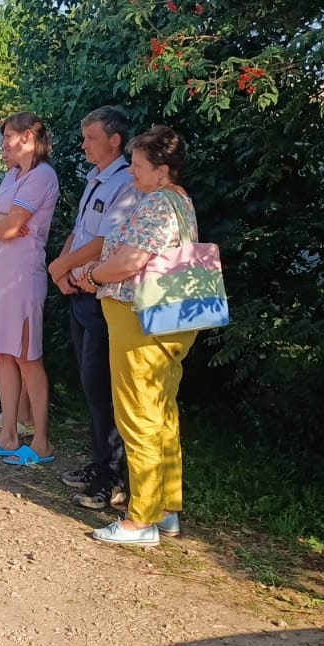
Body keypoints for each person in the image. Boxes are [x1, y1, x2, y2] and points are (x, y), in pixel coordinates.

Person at [71, 124, 198, 546]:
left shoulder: (157, 203)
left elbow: (129, 260)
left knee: (138, 415)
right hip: (170, 320)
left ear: (162, 170)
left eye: (139, 166)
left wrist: (92, 274)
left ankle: (139, 519)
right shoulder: (180, 202)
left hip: (137, 319)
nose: (132, 172)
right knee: (162, 414)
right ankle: (165, 509)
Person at [47, 106, 137, 510]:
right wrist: (62, 265)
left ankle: (113, 476)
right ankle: (99, 460)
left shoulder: (126, 182)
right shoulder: (95, 179)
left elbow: (106, 241)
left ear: (114, 140)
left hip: (103, 294)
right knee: (90, 382)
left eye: (91, 138)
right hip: (80, 290)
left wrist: (64, 264)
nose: (83, 145)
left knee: (102, 385)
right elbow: (80, 229)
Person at [0, 112, 60, 467]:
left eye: (9, 137)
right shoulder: (11, 176)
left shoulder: (42, 176)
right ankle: (7, 434)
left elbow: (7, 229)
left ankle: (40, 441)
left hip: (23, 276)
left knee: (26, 357)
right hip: (1, 275)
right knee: (3, 355)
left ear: (29, 139)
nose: (3, 145)